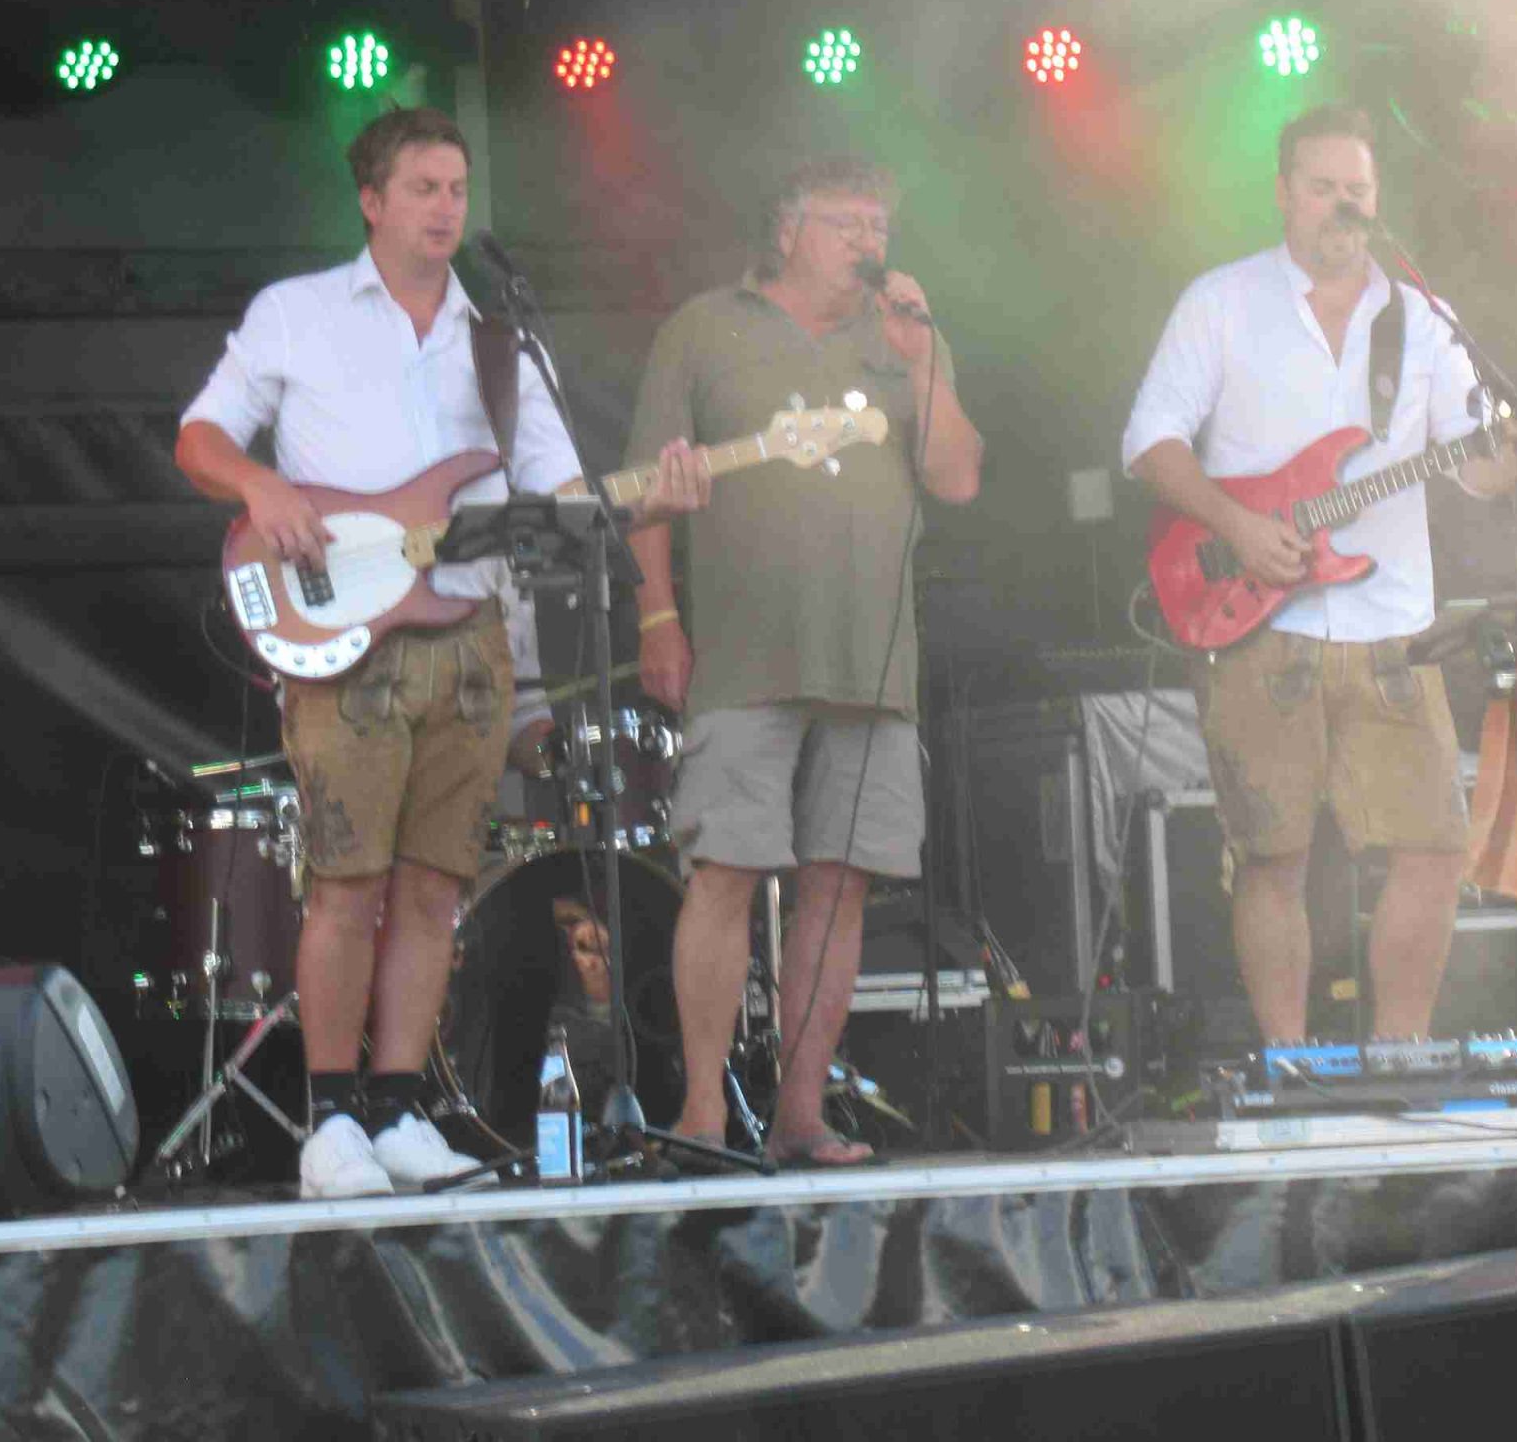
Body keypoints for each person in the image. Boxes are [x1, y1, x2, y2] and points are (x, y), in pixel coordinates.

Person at [176, 104, 708, 1199]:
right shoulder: (298, 314)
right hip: (348, 641)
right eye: (422, 188)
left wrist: (653, 495)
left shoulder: (498, 342)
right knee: (345, 887)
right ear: (371, 201)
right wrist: (263, 486)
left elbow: (561, 494)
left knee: (433, 893)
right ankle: (330, 1123)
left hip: (471, 641)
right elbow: (199, 436)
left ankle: (398, 1108)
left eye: (457, 190)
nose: (445, 208)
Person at [1121, 104, 1517, 1046]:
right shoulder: (1222, 302)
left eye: (1358, 190)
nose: (1343, 205)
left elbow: (1473, 469)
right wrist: (1239, 527)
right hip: (1259, 620)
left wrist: (1516, 454)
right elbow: (1148, 443)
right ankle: (1289, 1064)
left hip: (1393, 628)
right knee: (1272, 856)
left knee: (1433, 848)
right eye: (1323, 188)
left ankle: (1402, 1058)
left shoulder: (1422, 318)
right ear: (1283, 194)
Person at [626, 155, 982, 1166]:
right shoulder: (705, 328)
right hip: (744, 655)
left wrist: (922, 360)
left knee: (841, 885)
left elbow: (957, 479)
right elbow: (645, 492)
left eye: (878, 226)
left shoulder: (903, 339)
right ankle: (702, 1113)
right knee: (724, 871)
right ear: (787, 231)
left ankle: (800, 1114)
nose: (868, 244)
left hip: (872, 660)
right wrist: (659, 619)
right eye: (845, 224)